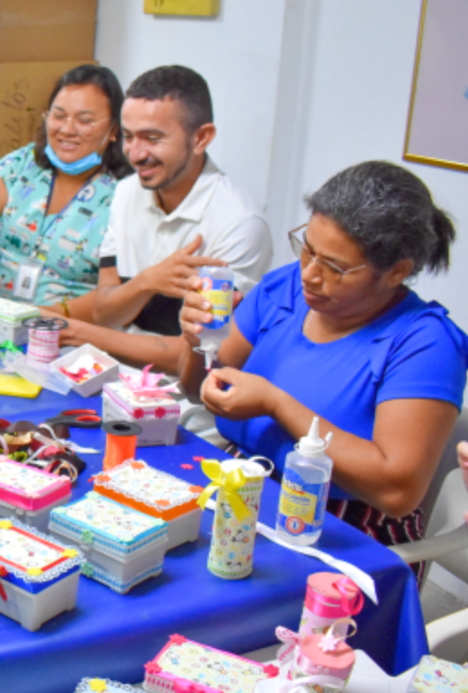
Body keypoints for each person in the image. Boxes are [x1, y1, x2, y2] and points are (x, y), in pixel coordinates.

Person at [178, 161, 468, 548]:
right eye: (307, 250)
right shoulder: (285, 290)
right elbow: (199, 387)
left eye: (335, 267)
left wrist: (276, 403)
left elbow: (397, 491)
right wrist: (196, 339)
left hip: (342, 531)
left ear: (397, 271)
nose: (310, 275)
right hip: (239, 492)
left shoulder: (424, 343)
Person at [59, 65, 273, 373]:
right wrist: (148, 282)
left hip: (185, 406)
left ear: (201, 138)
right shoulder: (126, 193)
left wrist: (77, 332)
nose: (135, 154)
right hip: (107, 381)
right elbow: (105, 312)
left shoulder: (240, 224)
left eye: (153, 138)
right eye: (129, 136)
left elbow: (209, 353)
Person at [0, 64, 131, 314]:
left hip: (65, 337)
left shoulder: (126, 194)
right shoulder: (23, 164)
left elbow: (119, 297)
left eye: (85, 120)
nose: (67, 129)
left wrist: (37, 318)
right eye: (59, 116)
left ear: (114, 130)